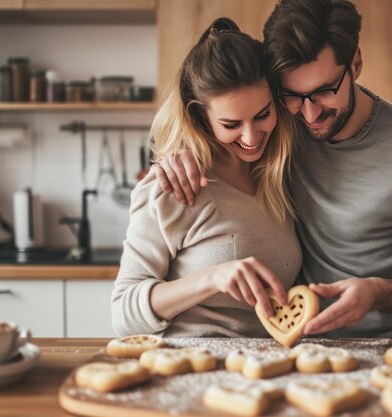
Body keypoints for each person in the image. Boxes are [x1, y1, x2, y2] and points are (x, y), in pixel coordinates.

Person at [154, 0, 392, 338]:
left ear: (355, 63)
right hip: (294, 354)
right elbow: (221, 110)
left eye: (325, 91)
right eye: (292, 95)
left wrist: (378, 293)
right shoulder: (280, 127)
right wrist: (182, 150)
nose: (310, 115)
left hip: (384, 357)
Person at [111, 17, 301, 338]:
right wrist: (211, 279)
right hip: (192, 372)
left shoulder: (280, 176)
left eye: (263, 114)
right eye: (231, 125)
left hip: (261, 374)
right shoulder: (174, 185)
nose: (252, 136)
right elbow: (122, 315)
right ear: (201, 116)